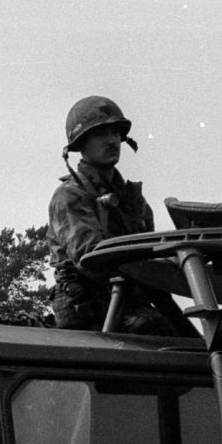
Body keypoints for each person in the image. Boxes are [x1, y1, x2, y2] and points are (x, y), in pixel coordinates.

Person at [47, 96, 174, 334]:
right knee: (157, 331)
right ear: (81, 144)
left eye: (116, 133)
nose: (112, 141)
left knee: (193, 340)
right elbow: (90, 257)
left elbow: (153, 249)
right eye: (101, 134)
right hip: (88, 307)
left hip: (130, 300)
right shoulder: (69, 196)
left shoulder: (131, 199)